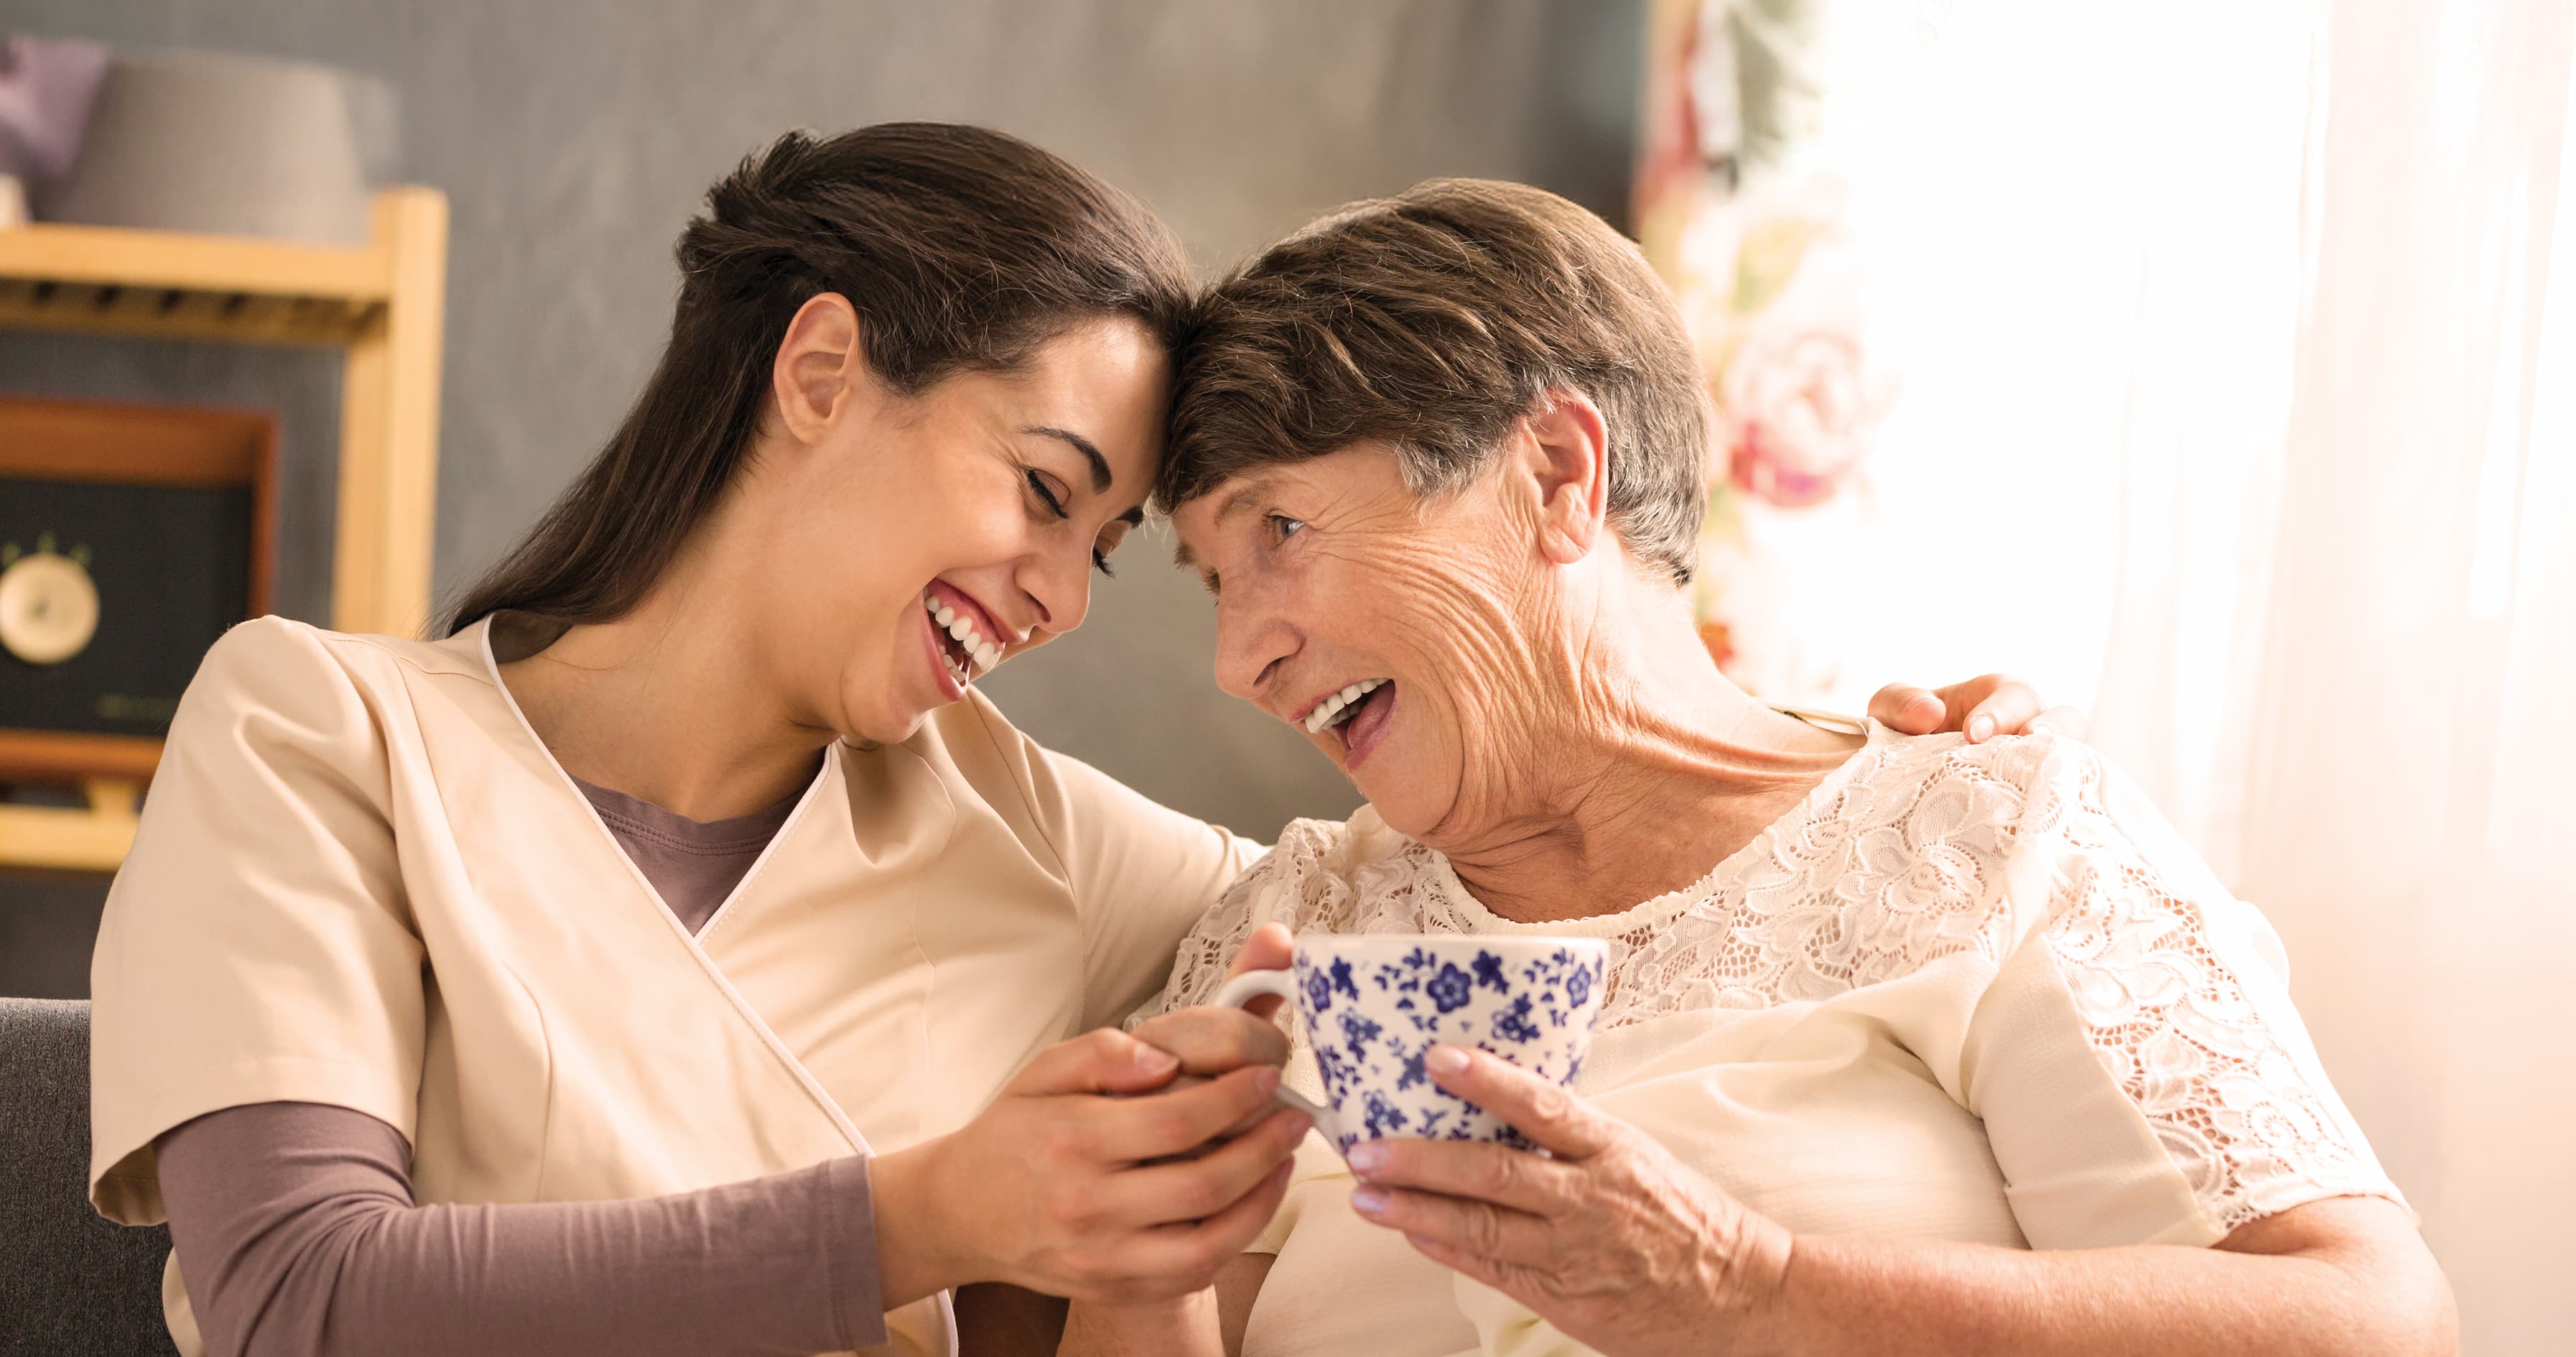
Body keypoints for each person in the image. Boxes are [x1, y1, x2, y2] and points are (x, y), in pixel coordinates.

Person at [87, 125, 2040, 1357]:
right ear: (824, 368)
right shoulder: (317, 727)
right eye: (1042, 485)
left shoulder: (1074, 853)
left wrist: (1833, 766)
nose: (1061, 591)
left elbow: (1515, 871)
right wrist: (934, 1211)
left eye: (1111, 552)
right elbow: (304, 1296)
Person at [1071, 179, 2457, 1357]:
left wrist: (1755, 1291)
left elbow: (2365, 1322)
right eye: (1211, 580)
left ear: (1558, 473)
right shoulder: (1289, 933)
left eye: (1284, 531)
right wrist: (1140, 1261)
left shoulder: (1982, 825)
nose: (1239, 659)